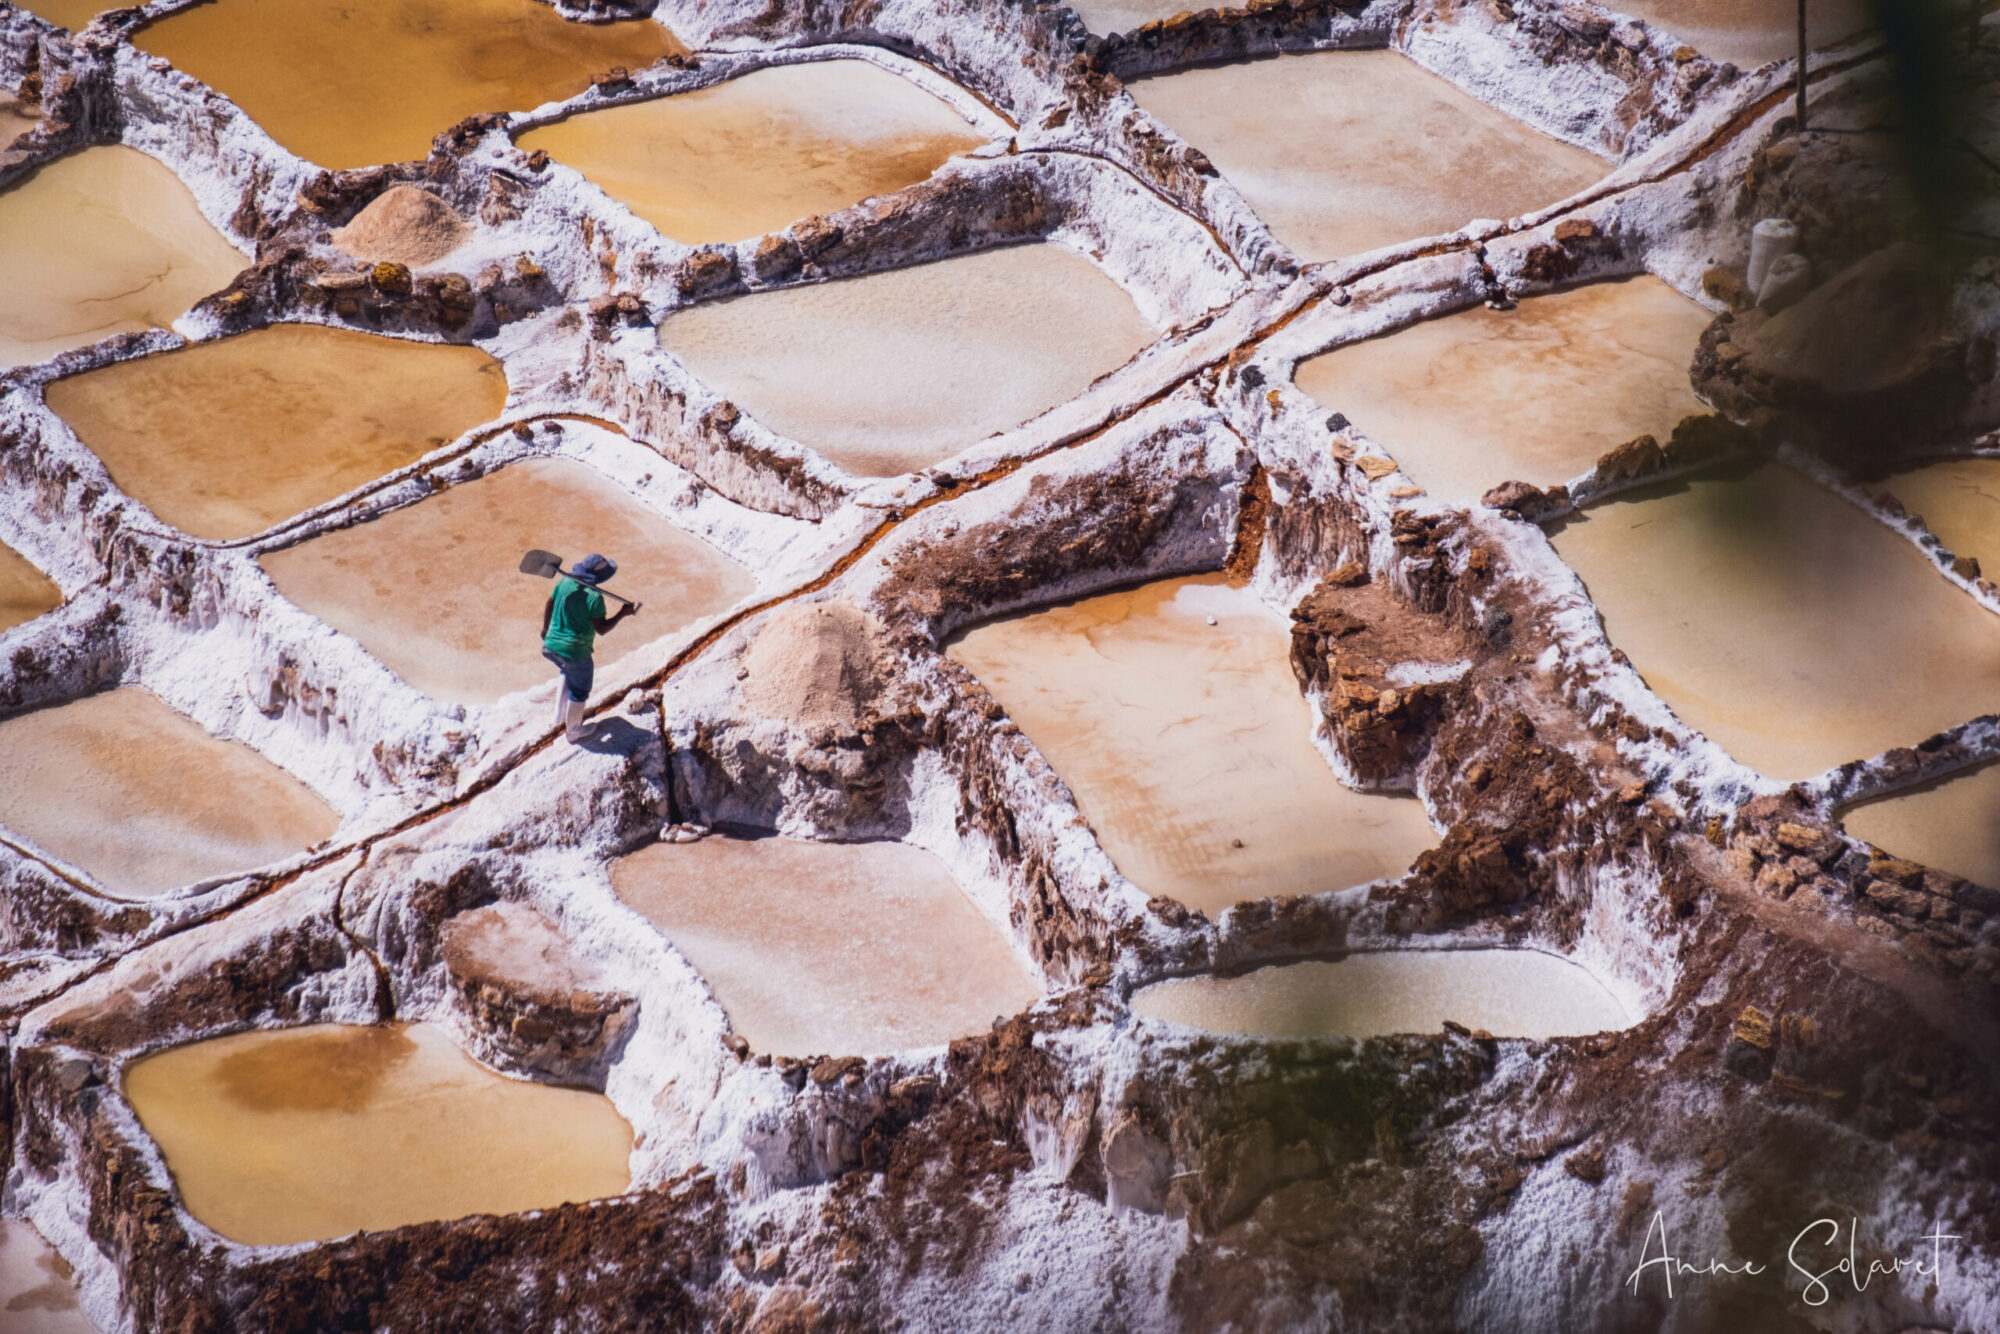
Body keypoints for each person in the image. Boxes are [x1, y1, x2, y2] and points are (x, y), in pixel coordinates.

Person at [540, 553, 637, 741]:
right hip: (575, 652)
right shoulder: (594, 597)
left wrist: (545, 628)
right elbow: (602, 629)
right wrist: (622, 614)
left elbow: (549, 603)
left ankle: (559, 717)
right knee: (580, 690)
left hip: (551, 647)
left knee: (567, 672)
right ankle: (574, 731)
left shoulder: (564, 583)